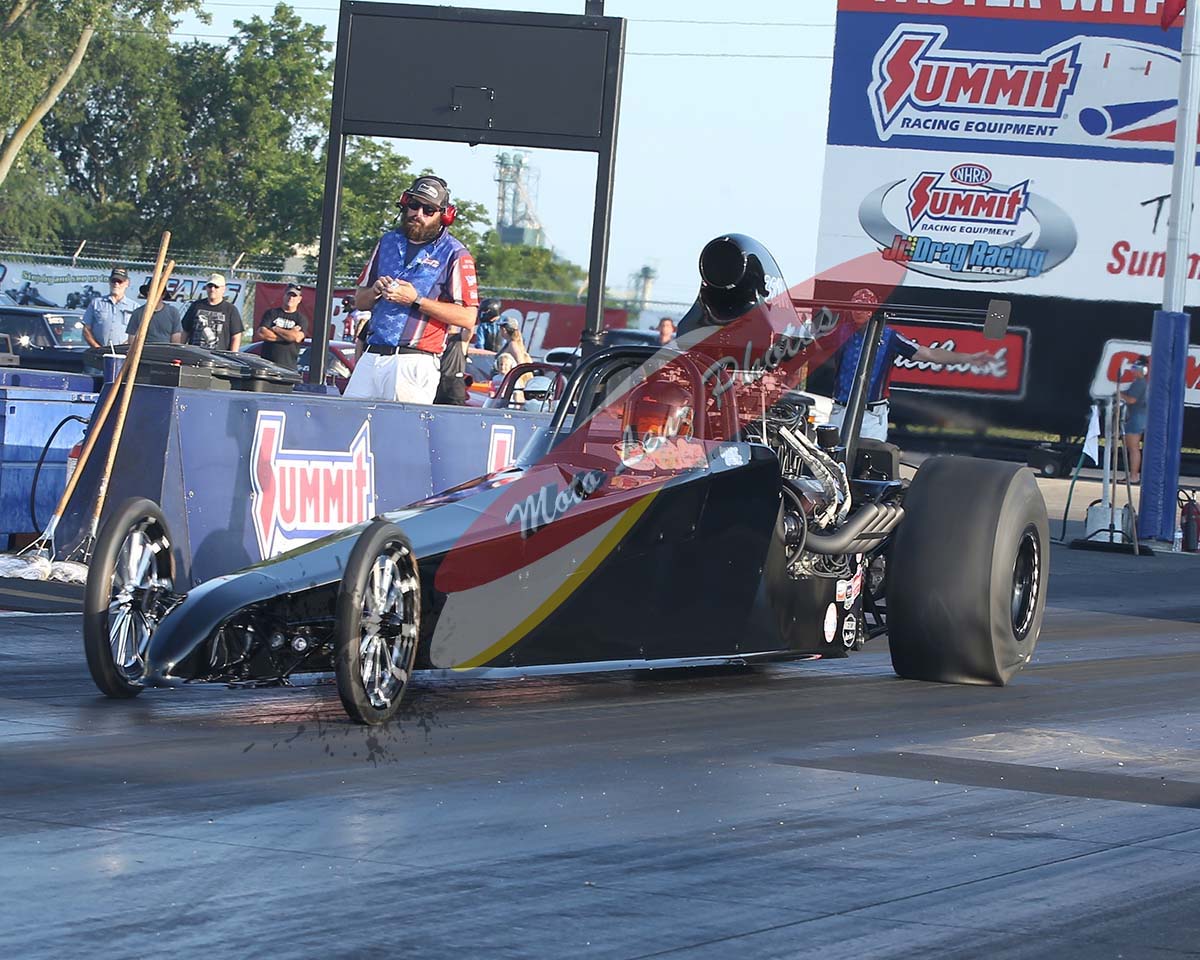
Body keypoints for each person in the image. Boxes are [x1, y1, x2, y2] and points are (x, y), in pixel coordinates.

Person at [347, 174, 479, 403]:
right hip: (372, 353)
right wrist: (375, 290)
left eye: (428, 210)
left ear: (444, 215)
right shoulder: (387, 242)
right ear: (405, 203)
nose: (418, 213)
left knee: (401, 426)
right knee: (346, 419)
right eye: (414, 205)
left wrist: (416, 300)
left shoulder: (455, 253)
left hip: (415, 360)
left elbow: (468, 317)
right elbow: (360, 300)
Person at [828, 288, 995, 442]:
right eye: (855, 306)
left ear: (873, 310)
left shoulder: (889, 336)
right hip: (841, 410)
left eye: (864, 307)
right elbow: (817, 347)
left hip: (870, 415)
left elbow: (929, 354)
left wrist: (968, 358)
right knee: (831, 455)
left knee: (870, 456)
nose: (858, 311)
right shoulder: (840, 332)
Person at [181, 273, 244, 351]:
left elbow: (236, 336)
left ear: (223, 289)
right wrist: (181, 351)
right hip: (196, 354)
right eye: (210, 286)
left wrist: (233, 355)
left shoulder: (231, 310)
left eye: (216, 286)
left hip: (218, 356)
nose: (212, 289)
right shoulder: (196, 306)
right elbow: (185, 331)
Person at [256, 283, 309, 371]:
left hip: (288, 368)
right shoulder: (271, 313)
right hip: (267, 365)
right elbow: (262, 333)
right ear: (284, 296)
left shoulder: (301, 319)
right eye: (289, 295)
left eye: (294, 296)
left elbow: (297, 337)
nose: (291, 298)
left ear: (299, 299)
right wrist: (288, 336)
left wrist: (276, 329)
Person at [82, 266, 136, 348]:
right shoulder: (96, 303)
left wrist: (122, 348)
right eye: (114, 280)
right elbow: (86, 329)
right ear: (109, 281)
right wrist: (97, 348)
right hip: (97, 353)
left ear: (127, 283)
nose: (116, 284)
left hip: (123, 353)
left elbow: (138, 334)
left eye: (120, 281)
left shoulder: (134, 307)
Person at [1121, 355, 1149, 484]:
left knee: (1133, 448)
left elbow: (1132, 400)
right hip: (1138, 417)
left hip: (1136, 418)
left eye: (1135, 368)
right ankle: (1133, 475)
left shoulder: (1139, 383)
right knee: (1133, 447)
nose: (1133, 370)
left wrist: (1119, 394)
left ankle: (1133, 476)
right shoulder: (1140, 383)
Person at [126, 279, 182, 344]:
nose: (152, 294)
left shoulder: (173, 313)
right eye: (150, 291)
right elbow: (132, 340)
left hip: (166, 350)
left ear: (163, 295)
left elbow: (176, 340)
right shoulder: (137, 313)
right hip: (144, 349)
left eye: (156, 291)